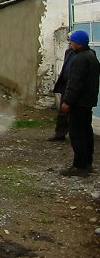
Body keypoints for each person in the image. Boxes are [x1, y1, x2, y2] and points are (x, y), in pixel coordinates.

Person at [59, 30, 100, 177]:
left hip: (78, 103)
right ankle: (87, 163)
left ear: (78, 43)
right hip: (87, 102)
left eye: (72, 41)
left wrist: (67, 101)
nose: (70, 44)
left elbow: (75, 83)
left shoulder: (79, 59)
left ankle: (79, 166)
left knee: (77, 135)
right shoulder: (91, 56)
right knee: (86, 133)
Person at [47, 43, 75, 141]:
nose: (70, 44)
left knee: (76, 112)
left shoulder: (86, 55)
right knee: (62, 112)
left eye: (72, 41)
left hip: (76, 86)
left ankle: (77, 135)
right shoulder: (69, 52)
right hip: (66, 84)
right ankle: (60, 134)